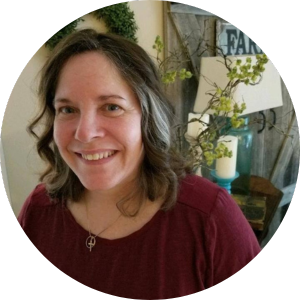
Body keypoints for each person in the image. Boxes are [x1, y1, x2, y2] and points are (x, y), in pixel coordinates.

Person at [18, 29, 261, 299]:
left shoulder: (210, 218)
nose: (84, 133)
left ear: (148, 117)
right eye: (67, 109)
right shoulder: (38, 211)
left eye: (111, 107)